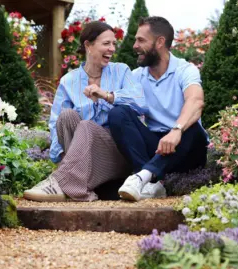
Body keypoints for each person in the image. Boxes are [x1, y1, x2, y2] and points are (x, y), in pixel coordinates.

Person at [23, 21, 147, 202]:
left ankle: (58, 183)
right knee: (66, 117)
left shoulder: (121, 71)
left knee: (87, 126)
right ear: (88, 46)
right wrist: (65, 160)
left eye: (114, 43)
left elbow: (140, 104)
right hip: (82, 155)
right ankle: (75, 181)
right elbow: (55, 124)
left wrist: (107, 96)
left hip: (115, 153)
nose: (112, 48)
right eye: (106, 43)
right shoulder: (69, 80)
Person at [108, 16, 209, 202]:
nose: (135, 45)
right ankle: (149, 182)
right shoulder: (136, 76)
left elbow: (196, 102)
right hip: (156, 146)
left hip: (186, 148)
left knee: (193, 129)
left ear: (160, 42)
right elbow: (122, 108)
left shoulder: (185, 70)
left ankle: (142, 177)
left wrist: (176, 130)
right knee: (118, 113)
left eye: (141, 40)